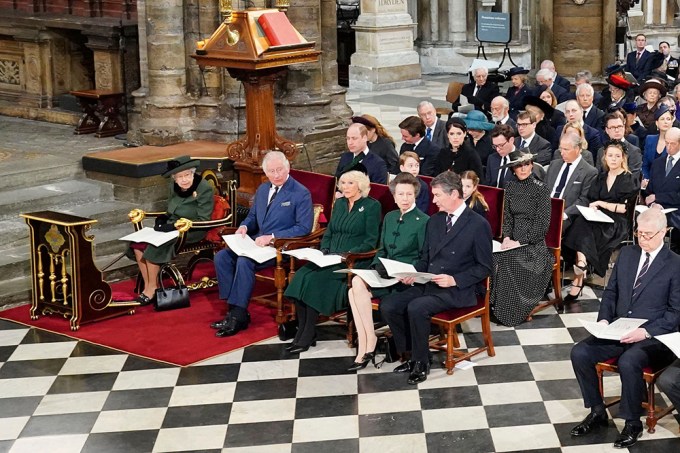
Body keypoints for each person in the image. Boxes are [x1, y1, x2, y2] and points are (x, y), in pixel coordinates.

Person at [570, 208, 680, 449]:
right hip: (619, 329)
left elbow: (675, 314)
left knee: (629, 361)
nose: (643, 239)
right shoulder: (627, 254)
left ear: (664, 232)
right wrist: (604, 321)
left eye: (649, 235)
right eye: (640, 233)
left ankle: (633, 422)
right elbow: (611, 293)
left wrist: (645, 331)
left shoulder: (675, 264)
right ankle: (597, 412)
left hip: (655, 336)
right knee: (580, 352)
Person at [380, 171, 492, 384]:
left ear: (454, 194)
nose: (433, 200)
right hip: (429, 283)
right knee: (390, 305)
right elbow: (425, 258)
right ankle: (411, 354)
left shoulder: (477, 225)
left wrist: (454, 279)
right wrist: (412, 274)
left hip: (458, 289)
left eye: (438, 195)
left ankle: (421, 363)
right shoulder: (435, 221)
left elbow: (485, 267)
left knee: (417, 307)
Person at [212, 151, 313, 337]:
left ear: (288, 167)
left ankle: (238, 315)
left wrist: (272, 237)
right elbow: (252, 217)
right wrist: (243, 226)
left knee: (244, 262)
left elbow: (303, 228)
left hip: (281, 247)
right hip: (257, 244)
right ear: (265, 173)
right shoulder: (263, 189)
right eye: (271, 171)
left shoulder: (300, 193)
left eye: (280, 170)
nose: (276, 175)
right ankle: (233, 309)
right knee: (222, 257)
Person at [284, 170, 381, 354]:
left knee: (314, 282)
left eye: (349, 183)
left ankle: (307, 334)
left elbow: (371, 241)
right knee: (301, 277)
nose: (344, 187)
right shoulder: (340, 203)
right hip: (330, 257)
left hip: (352, 261)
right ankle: (304, 331)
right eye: (342, 183)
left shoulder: (371, 206)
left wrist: (348, 254)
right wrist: (324, 251)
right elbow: (329, 232)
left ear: (360, 185)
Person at [346, 173, 429, 371]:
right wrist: (378, 265)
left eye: (409, 194)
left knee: (353, 291)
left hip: (404, 278)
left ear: (415, 195)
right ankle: (369, 340)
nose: (405, 198)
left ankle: (367, 346)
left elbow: (423, 256)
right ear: (394, 196)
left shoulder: (423, 220)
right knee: (355, 284)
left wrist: (407, 272)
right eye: (401, 194)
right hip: (385, 273)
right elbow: (382, 249)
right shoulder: (391, 217)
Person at [128, 155, 214, 305]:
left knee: (155, 245)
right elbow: (172, 209)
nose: (184, 180)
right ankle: (149, 286)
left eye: (187, 175)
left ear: (193, 173)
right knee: (138, 243)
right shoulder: (173, 187)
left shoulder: (204, 188)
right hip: (173, 226)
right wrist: (164, 218)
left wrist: (175, 226)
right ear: (174, 178)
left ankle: (152, 288)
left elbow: (204, 219)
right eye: (179, 177)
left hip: (192, 229)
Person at [562, 140, 639, 302]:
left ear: (623, 158)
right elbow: (592, 199)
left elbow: (624, 209)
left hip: (616, 221)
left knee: (586, 230)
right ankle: (582, 265)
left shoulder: (628, 179)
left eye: (617, 156)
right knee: (580, 224)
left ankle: (579, 278)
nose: (613, 159)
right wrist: (594, 207)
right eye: (610, 155)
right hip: (598, 217)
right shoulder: (600, 177)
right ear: (605, 157)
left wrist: (602, 204)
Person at [489, 150, 553, 326]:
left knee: (507, 259)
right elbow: (508, 218)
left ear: (532, 165)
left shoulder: (541, 190)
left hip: (534, 244)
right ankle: (494, 304)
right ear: (513, 169)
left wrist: (520, 241)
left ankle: (509, 311)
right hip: (513, 238)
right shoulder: (510, 187)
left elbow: (542, 226)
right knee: (494, 257)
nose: (523, 169)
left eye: (526, 164)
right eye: (519, 166)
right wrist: (507, 237)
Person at [546, 133, 598, 230]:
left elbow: (584, 200)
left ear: (577, 149)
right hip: (546, 210)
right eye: (561, 149)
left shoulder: (589, 171)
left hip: (567, 215)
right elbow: (544, 189)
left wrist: (564, 214)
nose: (562, 153)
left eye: (566, 149)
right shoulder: (554, 165)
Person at [645, 127, 680, 233]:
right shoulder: (657, 163)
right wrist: (653, 204)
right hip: (655, 210)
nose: (668, 147)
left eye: (672, 144)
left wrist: (658, 197)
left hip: (676, 213)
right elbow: (649, 191)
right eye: (667, 142)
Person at [597, 112, 643, 178]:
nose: (617, 130)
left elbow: (634, 178)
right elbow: (599, 176)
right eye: (613, 127)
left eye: (619, 126)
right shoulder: (601, 151)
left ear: (624, 127)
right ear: (607, 130)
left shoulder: (634, 151)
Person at [641, 104, 674, 184]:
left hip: (668, 184)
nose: (665, 122)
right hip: (649, 182)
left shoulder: (676, 142)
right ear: (657, 123)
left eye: (668, 119)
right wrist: (646, 178)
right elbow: (645, 165)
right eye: (662, 119)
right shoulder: (650, 139)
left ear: (672, 123)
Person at [486, 124, 517, 188]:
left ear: (511, 140)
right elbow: (488, 185)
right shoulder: (492, 158)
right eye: (495, 146)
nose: (498, 149)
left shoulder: (523, 160)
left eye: (501, 145)